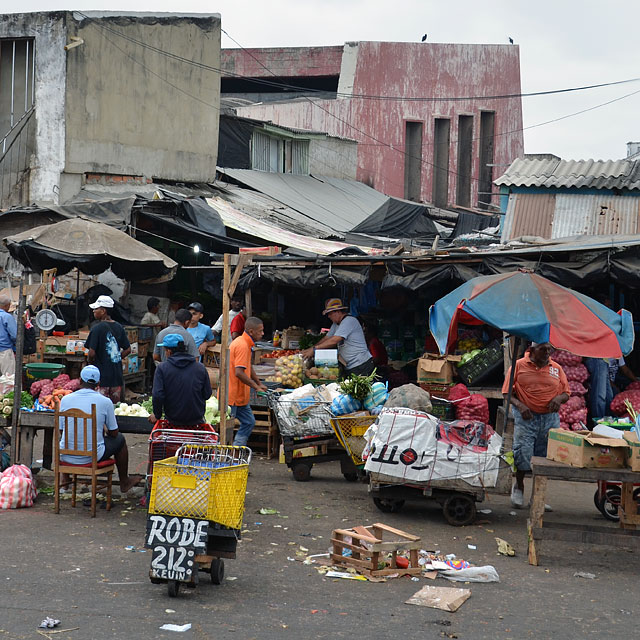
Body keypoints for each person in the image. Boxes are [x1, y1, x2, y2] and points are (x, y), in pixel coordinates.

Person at [503, 342, 570, 509]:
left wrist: (558, 399)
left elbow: (566, 393)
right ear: (531, 350)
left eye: (549, 349)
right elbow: (506, 394)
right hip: (527, 417)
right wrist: (520, 406)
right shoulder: (518, 366)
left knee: (544, 457)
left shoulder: (556, 368)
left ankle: (537, 496)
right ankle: (519, 486)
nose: (547, 353)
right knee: (523, 453)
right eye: (543, 349)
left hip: (549, 419)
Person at [58, 365, 143, 493]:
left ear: (80, 381)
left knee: (66, 438)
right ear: (98, 384)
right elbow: (114, 433)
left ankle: (65, 481)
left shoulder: (65, 400)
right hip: (90, 457)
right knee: (120, 439)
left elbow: (61, 431)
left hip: (66, 456)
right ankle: (124, 482)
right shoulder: (105, 401)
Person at [148, 334, 212, 426]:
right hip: (196, 420)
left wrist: (157, 415)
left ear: (169, 351)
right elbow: (207, 394)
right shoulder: (200, 368)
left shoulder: (162, 368)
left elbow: (158, 395)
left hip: (173, 420)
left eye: (165, 351)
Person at [301, 298, 374, 377]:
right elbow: (327, 338)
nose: (328, 316)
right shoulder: (336, 324)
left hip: (361, 365)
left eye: (330, 313)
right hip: (350, 365)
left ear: (338, 312)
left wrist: (315, 349)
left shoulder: (349, 321)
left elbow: (334, 340)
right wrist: (311, 348)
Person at [229, 316, 267, 446]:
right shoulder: (242, 345)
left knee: (249, 422)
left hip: (240, 396)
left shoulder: (245, 343)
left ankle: (237, 449)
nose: (262, 334)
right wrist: (256, 387)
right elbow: (239, 373)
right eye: (260, 331)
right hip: (232, 396)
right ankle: (228, 453)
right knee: (227, 429)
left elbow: (248, 367)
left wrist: (259, 383)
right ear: (251, 332)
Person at [85, 295, 130, 404]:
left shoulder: (96, 328)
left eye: (96, 309)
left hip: (101, 377)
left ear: (103, 311)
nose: (94, 311)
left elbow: (91, 353)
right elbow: (128, 349)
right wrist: (117, 358)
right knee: (114, 407)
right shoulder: (119, 327)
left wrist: (90, 363)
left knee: (99, 407)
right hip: (117, 376)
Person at [0, 294, 16, 376]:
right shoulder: (7, 317)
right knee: (8, 379)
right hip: (4, 351)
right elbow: (15, 335)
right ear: (7, 305)